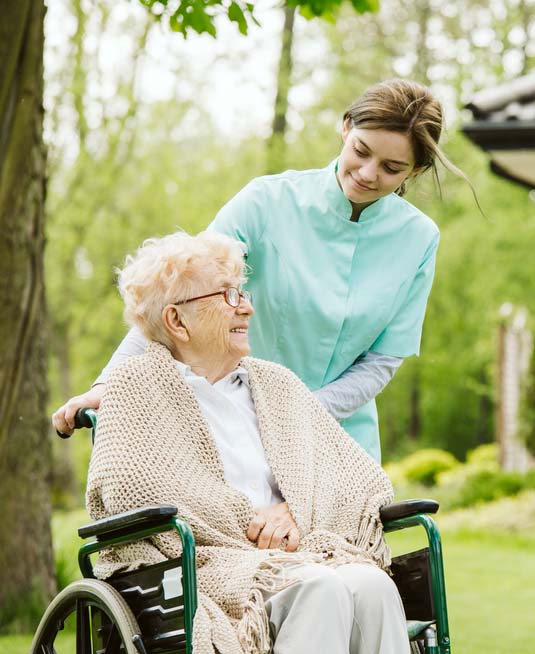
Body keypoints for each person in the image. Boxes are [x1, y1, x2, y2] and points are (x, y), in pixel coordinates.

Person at [54, 78, 458, 460]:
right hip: (238, 428)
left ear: (415, 171)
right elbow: (176, 299)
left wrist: (302, 415)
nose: (368, 174)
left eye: (391, 168)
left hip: (343, 440)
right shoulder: (267, 202)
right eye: (361, 151)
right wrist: (108, 384)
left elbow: (382, 361)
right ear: (346, 127)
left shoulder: (419, 239)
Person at [87, 231, 411, 654]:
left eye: (242, 292)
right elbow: (129, 488)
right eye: (228, 295)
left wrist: (295, 509)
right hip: (206, 566)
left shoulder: (277, 384)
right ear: (177, 321)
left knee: (372, 587)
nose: (247, 306)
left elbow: (359, 477)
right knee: (318, 588)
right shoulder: (136, 385)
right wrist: (247, 523)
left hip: (301, 550)